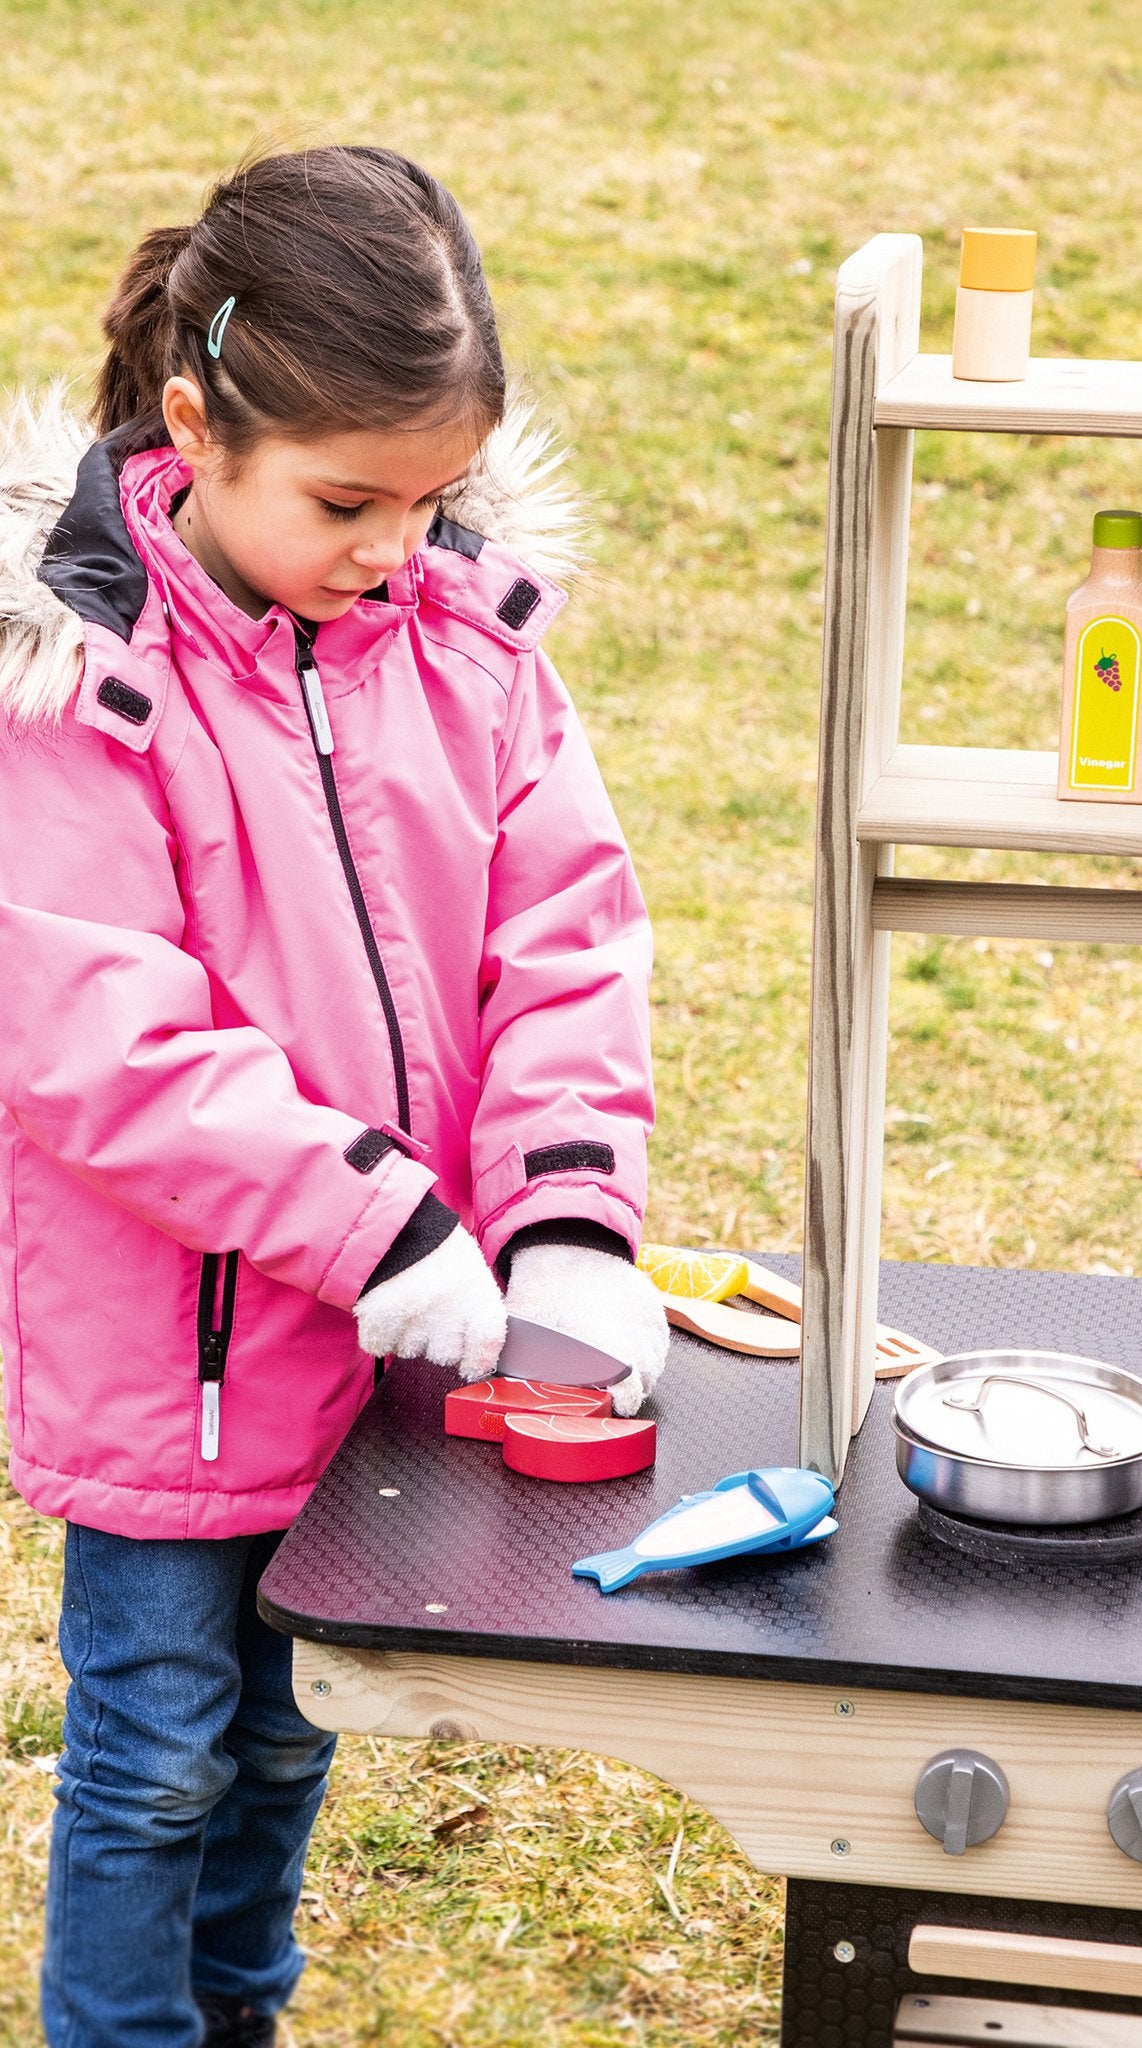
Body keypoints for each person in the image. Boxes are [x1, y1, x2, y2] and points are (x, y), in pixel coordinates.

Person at [0, 146, 673, 2047]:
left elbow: (565, 943)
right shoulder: (78, 680)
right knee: (152, 1768)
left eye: (435, 496)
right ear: (199, 426)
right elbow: (97, 1046)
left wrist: (566, 1223)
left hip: (402, 1336)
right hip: (177, 1368)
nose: (395, 543)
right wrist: (378, 1220)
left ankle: (244, 2023)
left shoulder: (473, 652)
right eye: (348, 501)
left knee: (294, 1742)